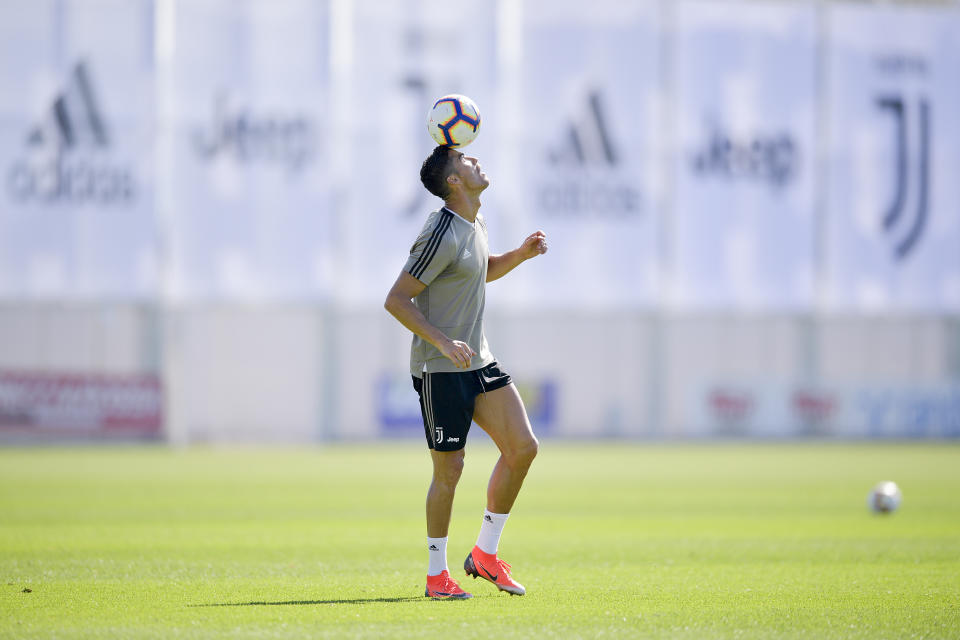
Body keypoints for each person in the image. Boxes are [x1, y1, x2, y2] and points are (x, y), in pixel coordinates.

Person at [384, 145, 548, 599]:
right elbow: (397, 298)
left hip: (478, 358)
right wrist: (442, 342)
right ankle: (437, 576)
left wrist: (520, 254)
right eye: (465, 160)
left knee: (522, 448)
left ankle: (485, 555)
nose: (476, 160)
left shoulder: (474, 222)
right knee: (449, 471)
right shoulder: (439, 230)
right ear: (453, 181)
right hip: (441, 366)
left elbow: (478, 272)